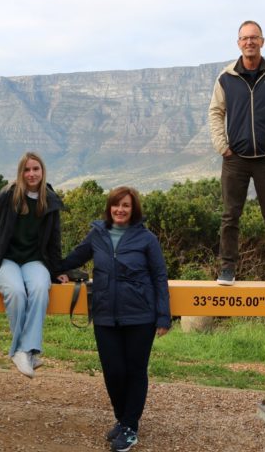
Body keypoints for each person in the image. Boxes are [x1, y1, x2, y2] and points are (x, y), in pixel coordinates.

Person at [59, 186, 170, 452]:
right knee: (113, 371)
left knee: (135, 372)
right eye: (116, 205)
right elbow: (75, 257)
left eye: (126, 206)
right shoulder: (97, 234)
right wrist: (54, 271)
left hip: (140, 316)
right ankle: (123, 418)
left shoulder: (147, 239)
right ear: (109, 208)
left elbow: (159, 276)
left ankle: (130, 426)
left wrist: (163, 316)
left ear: (134, 210)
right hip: (105, 315)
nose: (120, 210)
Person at [208, 20, 265, 288]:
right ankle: (227, 269)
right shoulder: (226, 78)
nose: (249, 42)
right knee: (230, 216)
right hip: (234, 159)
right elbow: (215, 112)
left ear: (262, 42)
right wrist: (222, 145)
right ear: (238, 43)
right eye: (245, 38)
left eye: (254, 38)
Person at [0, 152, 64, 378]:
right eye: (27, 169)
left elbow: (54, 241)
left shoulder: (50, 199)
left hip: (35, 261)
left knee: (38, 290)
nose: (31, 174)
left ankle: (23, 351)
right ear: (20, 172)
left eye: (36, 169)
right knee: (15, 292)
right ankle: (26, 352)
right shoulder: (8, 196)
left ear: (42, 171)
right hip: (7, 259)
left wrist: (58, 271)